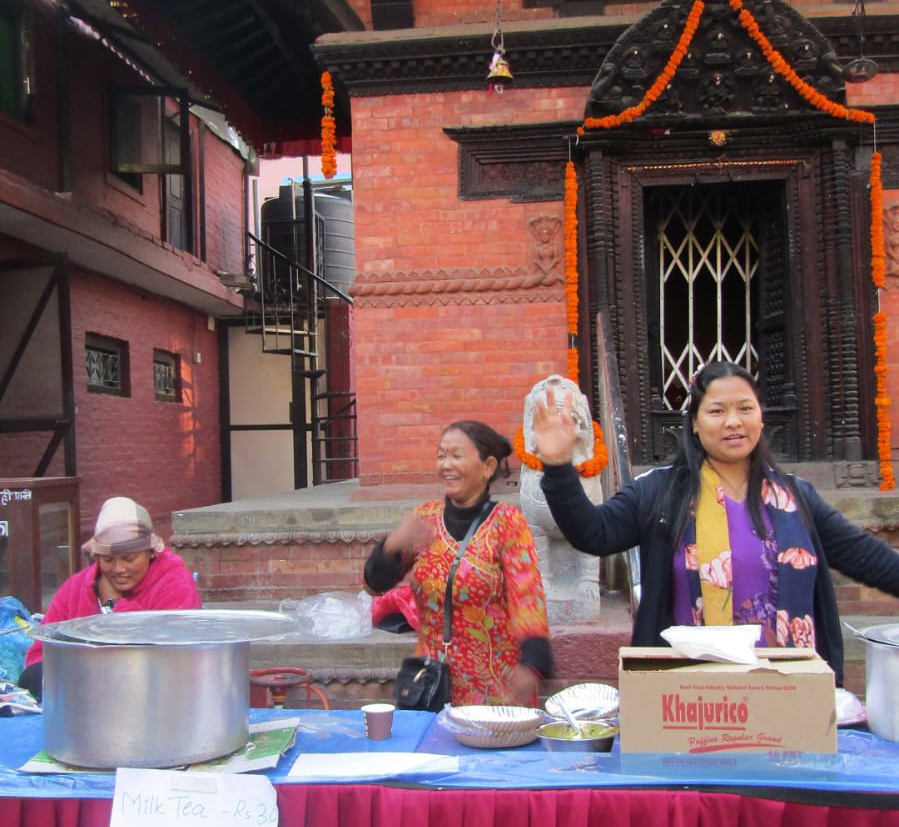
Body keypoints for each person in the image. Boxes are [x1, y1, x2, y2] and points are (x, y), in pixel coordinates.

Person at [531, 361, 899, 686]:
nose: (733, 421)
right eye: (717, 411)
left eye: (745, 408)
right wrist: (559, 466)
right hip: (690, 695)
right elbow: (593, 533)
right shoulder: (659, 493)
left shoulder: (796, 498)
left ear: (761, 417)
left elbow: (868, 559)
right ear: (694, 422)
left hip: (791, 690)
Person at [364, 420, 552, 706]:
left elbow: (528, 599)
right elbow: (373, 586)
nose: (446, 465)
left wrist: (532, 665)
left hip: (495, 692)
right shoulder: (424, 519)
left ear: (488, 467)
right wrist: (390, 546)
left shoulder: (507, 523)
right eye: (441, 456)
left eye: (456, 456)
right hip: (432, 687)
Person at [19, 496, 202, 701]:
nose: (118, 569)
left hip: (153, 691)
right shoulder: (76, 588)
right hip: (80, 689)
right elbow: (40, 653)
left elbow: (174, 657)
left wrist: (116, 607)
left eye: (129, 559)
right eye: (108, 560)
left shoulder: (175, 584)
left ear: (150, 552)